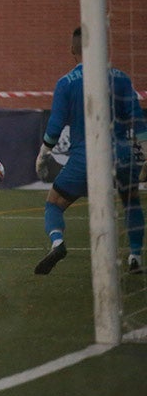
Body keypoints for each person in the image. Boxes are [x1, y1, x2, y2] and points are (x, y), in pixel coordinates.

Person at [33, 27, 147, 275]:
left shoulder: (66, 83)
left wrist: (43, 154)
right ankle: (135, 256)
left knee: (53, 203)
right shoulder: (122, 78)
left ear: (73, 51)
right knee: (131, 201)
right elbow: (138, 120)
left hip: (85, 161)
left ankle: (58, 242)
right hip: (122, 157)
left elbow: (55, 126)